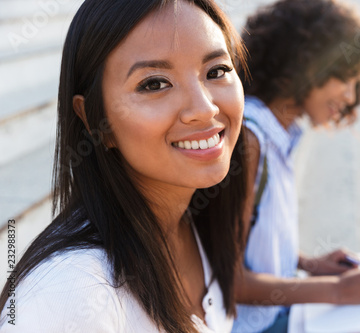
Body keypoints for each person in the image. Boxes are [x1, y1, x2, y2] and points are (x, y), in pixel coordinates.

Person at [0, 0, 248, 332]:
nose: (203, 108)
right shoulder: (70, 295)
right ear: (93, 118)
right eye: (154, 84)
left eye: (216, 71)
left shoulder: (195, 219)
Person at [232, 1, 360, 332]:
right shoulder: (250, 140)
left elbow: (253, 240)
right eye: (345, 79)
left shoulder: (279, 133)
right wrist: (338, 291)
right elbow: (230, 280)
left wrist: (308, 263)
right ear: (307, 66)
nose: (351, 97)